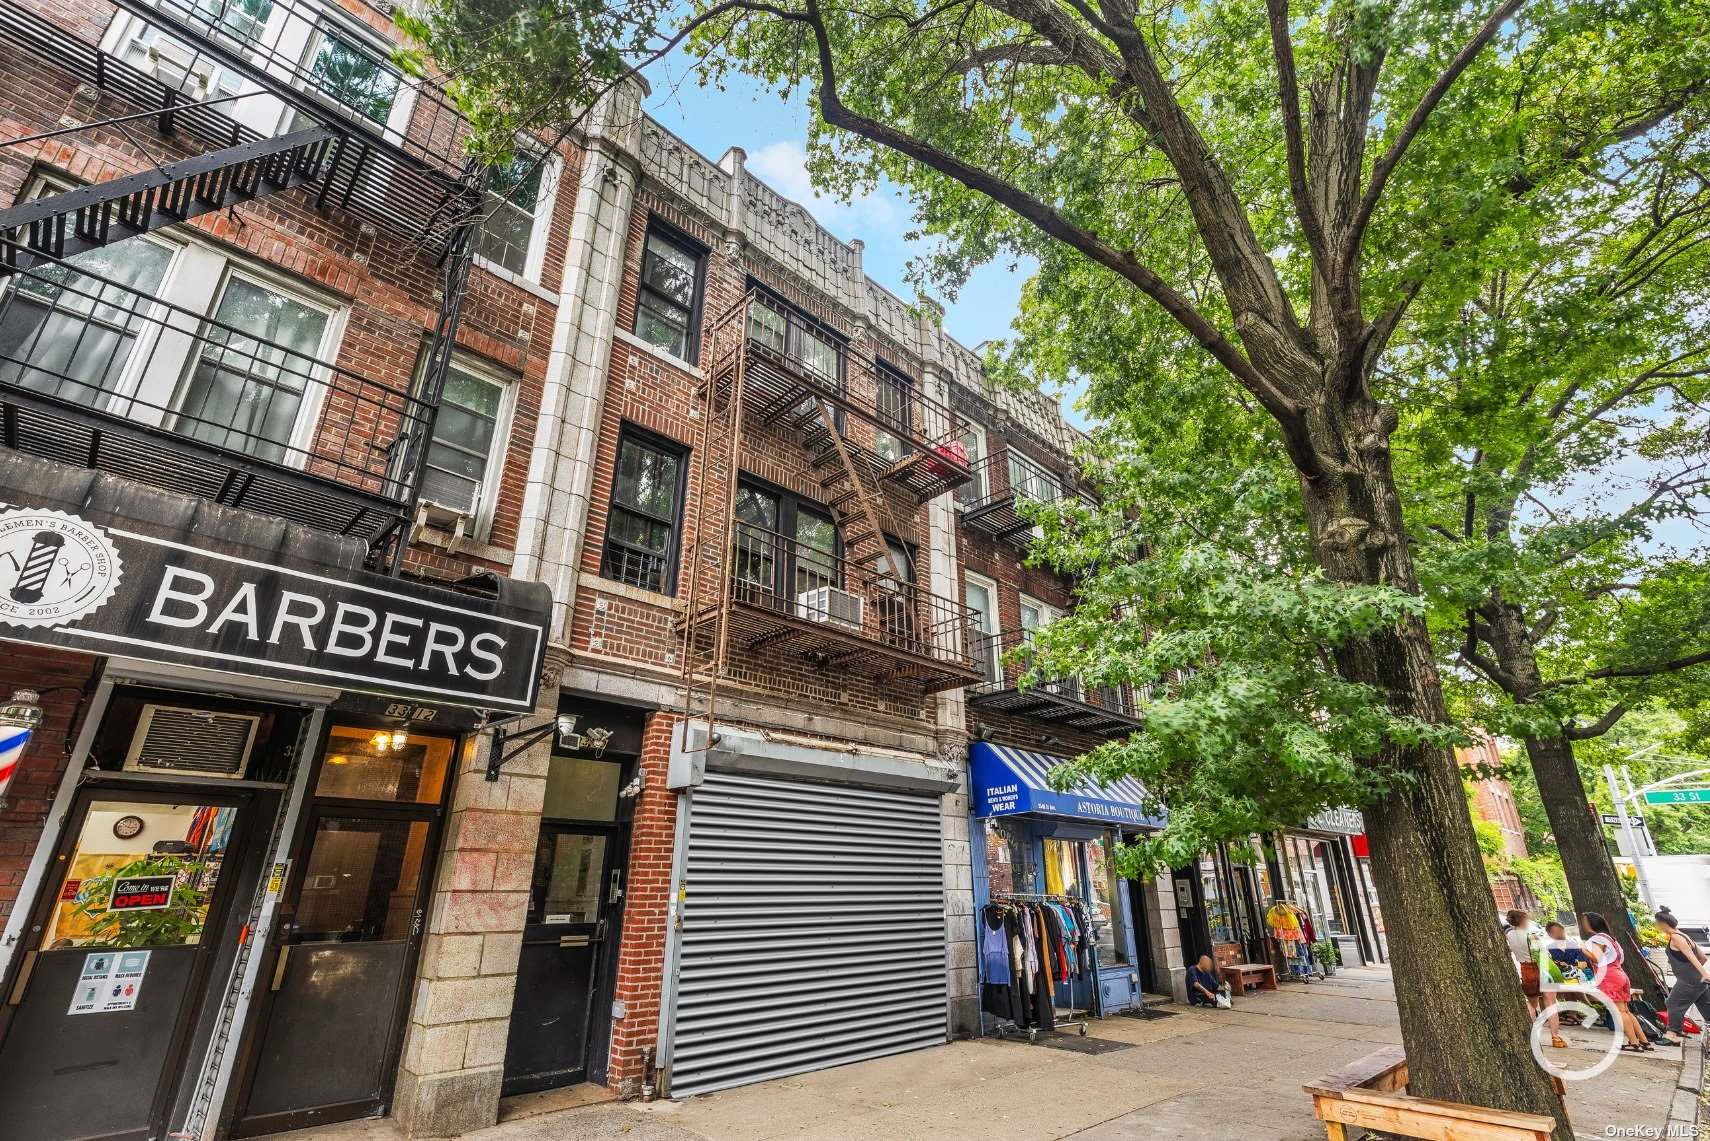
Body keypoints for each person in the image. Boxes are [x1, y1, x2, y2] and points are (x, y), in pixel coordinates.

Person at [1580, 911, 1651, 1052]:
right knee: (1626, 1010)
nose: (1583, 924)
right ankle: (1643, 1041)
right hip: (1620, 974)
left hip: (1609, 976)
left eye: (1585, 921)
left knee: (1619, 1012)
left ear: (1592, 923)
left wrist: (1582, 948)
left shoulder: (1597, 939)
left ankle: (1633, 1042)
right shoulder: (1611, 939)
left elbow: (1596, 958)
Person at [1505, 910, 1566, 1049]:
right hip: (1541, 968)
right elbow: (1543, 953)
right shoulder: (1530, 935)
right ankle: (1555, 1037)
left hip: (1525, 970)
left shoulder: (1509, 935)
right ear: (1523, 920)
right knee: (1551, 1004)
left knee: (1531, 1003)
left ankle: (1532, 1035)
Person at [1656, 911, 1710, 1047]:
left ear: (1662, 924)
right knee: (1707, 1011)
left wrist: (1703, 973)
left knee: (1672, 1003)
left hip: (1688, 981)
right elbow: (1703, 957)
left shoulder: (1676, 938)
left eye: (1657, 923)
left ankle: (1672, 1035)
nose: (1656, 926)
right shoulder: (1684, 935)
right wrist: (1697, 973)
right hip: (1696, 980)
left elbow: (1692, 957)